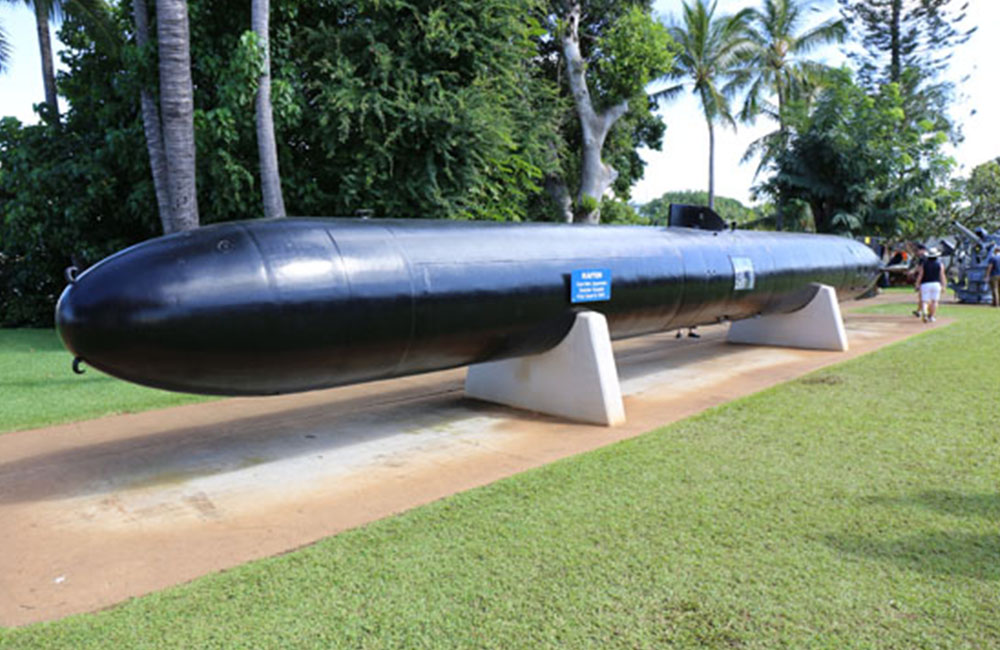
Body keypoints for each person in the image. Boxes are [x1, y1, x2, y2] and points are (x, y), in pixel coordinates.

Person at [913, 247, 946, 323]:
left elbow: (920, 275)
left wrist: (917, 284)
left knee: (925, 301)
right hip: (936, 284)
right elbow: (942, 276)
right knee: (934, 301)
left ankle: (924, 312)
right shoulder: (940, 264)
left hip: (925, 284)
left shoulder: (924, 264)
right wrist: (943, 285)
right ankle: (931, 316)